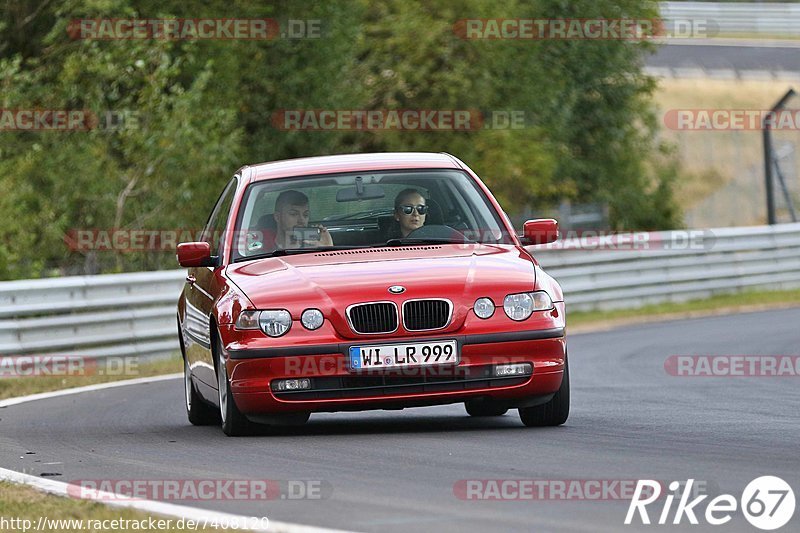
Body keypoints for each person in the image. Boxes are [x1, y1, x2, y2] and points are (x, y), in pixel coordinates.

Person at [255, 190, 333, 251]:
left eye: (305, 215)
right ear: (277, 217)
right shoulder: (261, 244)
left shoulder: (314, 247)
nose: (301, 220)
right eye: (293, 214)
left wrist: (328, 249)